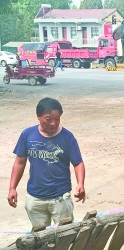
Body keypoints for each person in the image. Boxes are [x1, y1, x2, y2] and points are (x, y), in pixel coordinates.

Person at [7, 97, 86, 228]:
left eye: (57, 119)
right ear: (38, 116)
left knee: (65, 236)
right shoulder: (27, 135)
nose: (53, 123)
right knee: (40, 240)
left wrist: (81, 184)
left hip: (60, 198)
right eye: (48, 119)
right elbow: (19, 162)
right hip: (35, 198)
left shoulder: (67, 137)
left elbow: (78, 163)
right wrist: (12, 188)